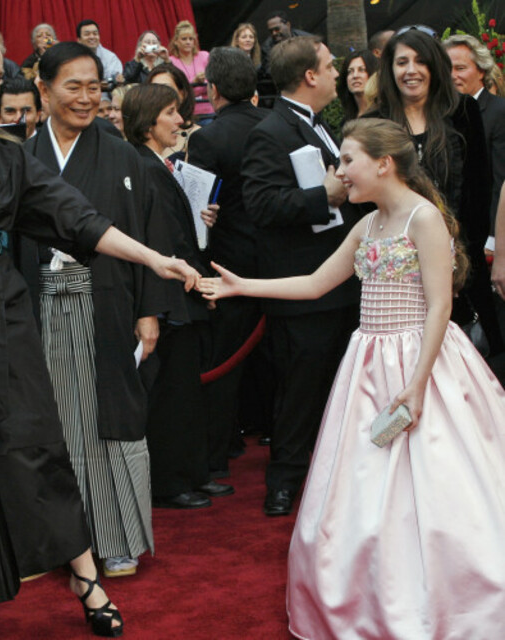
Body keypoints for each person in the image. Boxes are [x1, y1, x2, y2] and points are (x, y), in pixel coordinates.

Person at [0, 20, 198, 638]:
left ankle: (86, 576)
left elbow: (77, 217)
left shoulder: (7, 151)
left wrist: (151, 258)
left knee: (39, 443)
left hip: (8, 314)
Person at [200, 116, 505, 640]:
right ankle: (370, 597)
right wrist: (242, 285)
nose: (339, 174)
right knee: (362, 485)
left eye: (347, 161)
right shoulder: (365, 226)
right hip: (367, 365)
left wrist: (416, 380)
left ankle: (447, 603)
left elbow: (440, 306)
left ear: (383, 164)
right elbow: (317, 284)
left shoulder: (422, 219)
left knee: (442, 485)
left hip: (421, 361)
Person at [23, 41, 167, 579]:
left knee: (110, 421)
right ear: (44, 89)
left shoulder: (122, 155)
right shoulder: (21, 156)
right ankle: (56, 543)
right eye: (72, 86)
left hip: (106, 301)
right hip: (39, 304)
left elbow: (148, 233)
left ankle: (116, 538)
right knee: (51, 425)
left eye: (94, 86)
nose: (86, 98)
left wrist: (149, 310)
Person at [241, 36, 362, 517]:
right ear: (310, 76)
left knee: (334, 386)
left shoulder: (320, 126)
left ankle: (329, 477)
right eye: (331, 66)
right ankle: (285, 482)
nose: (337, 73)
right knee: (300, 390)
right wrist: (326, 196)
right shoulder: (270, 131)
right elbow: (261, 206)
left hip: (337, 284)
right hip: (304, 290)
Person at [368, 27, 504, 358]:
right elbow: (369, 204)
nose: (411, 70)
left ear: (434, 67)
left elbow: (480, 190)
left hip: (462, 269)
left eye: (420, 61)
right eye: (402, 62)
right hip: (397, 277)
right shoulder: (375, 123)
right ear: (390, 69)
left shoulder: (464, 114)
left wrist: (455, 263)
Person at [122, 83, 227, 508]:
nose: (180, 121)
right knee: (172, 394)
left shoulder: (155, 165)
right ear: (149, 121)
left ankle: (192, 474)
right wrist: (200, 282)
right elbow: (163, 241)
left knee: (185, 391)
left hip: (179, 295)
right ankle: (171, 481)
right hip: (169, 298)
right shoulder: (145, 168)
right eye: (170, 112)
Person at [187, 46, 271, 481]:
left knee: (222, 365)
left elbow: (198, 209)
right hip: (283, 267)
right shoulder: (277, 126)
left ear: (212, 89)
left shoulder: (206, 138)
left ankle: (218, 456)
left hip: (229, 269)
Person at [444, 33, 505, 236]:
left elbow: (501, 180)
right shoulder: (441, 115)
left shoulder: (499, 111)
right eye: (447, 69)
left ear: (481, 71)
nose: (453, 75)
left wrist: (493, 235)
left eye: (460, 68)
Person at [147, 63, 199, 162]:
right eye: (154, 89)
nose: (160, 95)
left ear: (183, 94)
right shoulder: (145, 132)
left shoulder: (196, 135)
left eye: (167, 89)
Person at [168, 21, 212, 120]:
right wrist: (194, 82)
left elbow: (214, 82)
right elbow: (175, 90)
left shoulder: (205, 56)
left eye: (191, 39)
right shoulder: (171, 62)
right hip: (186, 114)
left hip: (209, 111)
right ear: (176, 41)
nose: (188, 42)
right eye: (184, 39)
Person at [76, 20, 123, 87]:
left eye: (95, 34)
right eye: (87, 34)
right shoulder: (73, 58)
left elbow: (115, 80)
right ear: (79, 40)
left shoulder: (110, 57)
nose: (92, 37)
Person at [337, 49, 378, 121]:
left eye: (361, 70)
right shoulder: (346, 121)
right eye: (350, 71)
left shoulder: (384, 116)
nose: (355, 76)